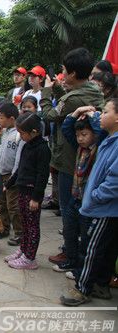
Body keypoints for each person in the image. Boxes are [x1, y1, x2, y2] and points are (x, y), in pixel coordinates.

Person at [40, 48, 104, 266]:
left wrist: (47, 93)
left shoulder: (75, 98)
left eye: (65, 71)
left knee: (69, 211)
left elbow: (51, 115)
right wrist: (59, 89)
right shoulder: (93, 91)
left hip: (70, 160)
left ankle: (70, 254)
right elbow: (66, 104)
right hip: (83, 159)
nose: (63, 74)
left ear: (74, 74)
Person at [60, 98, 118, 306]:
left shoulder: (112, 142)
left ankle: (82, 289)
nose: (99, 115)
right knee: (103, 248)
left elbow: (114, 182)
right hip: (98, 205)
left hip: (103, 208)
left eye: (105, 112)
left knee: (91, 249)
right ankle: (100, 285)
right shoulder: (109, 139)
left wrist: (94, 196)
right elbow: (71, 129)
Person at [55, 107, 105, 274]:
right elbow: (66, 129)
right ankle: (70, 260)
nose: (80, 139)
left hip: (88, 201)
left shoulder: (98, 148)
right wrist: (75, 114)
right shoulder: (79, 148)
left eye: (85, 135)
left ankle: (81, 268)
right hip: (74, 198)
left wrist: (93, 116)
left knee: (86, 237)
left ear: (93, 135)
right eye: (78, 135)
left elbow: (101, 133)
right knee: (69, 231)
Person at [4, 113, 51, 269]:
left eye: (22, 133)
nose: (20, 136)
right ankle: (23, 250)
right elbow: (19, 170)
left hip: (32, 194)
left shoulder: (43, 149)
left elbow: (42, 175)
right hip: (22, 191)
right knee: (24, 222)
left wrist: (36, 198)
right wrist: (9, 183)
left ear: (34, 132)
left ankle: (30, 258)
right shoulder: (26, 145)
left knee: (32, 226)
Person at [0, 103, 24, 244]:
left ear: (11, 118)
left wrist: (15, 175)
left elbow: (18, 158)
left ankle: (20, 233)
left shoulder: (19, 134)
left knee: (13, 205)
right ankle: (4, 227)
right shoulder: (1, 131)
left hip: (11, 175)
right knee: (1, 203)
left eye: (2, 117)